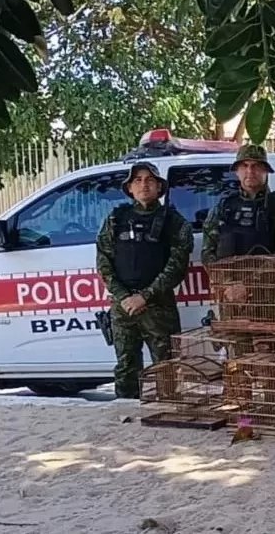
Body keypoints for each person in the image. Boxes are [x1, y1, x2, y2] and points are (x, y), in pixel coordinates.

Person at [95, 162, 193, 399]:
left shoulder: (174, 221)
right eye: (137, 180)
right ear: (129, 188)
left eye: (149, 180)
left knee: (166, 368)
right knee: (126, 367)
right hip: (123, 307)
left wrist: (145, 296)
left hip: (158, 306)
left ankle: (167, 415)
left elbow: (177, 266)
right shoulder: (116, 219)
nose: (143, 185)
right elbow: (103, 261)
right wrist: (124, 297)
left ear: (159, 187)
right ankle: (126, 420)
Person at [201, 144, 275, 264]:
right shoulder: (224, 206)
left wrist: (258, 276)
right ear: (237, 171)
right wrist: (222, 275)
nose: (250, 171)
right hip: (229, 280)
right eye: (244, 165)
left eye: (256, 166)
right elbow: (208, 253)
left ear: (266, 171)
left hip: (270, 281)